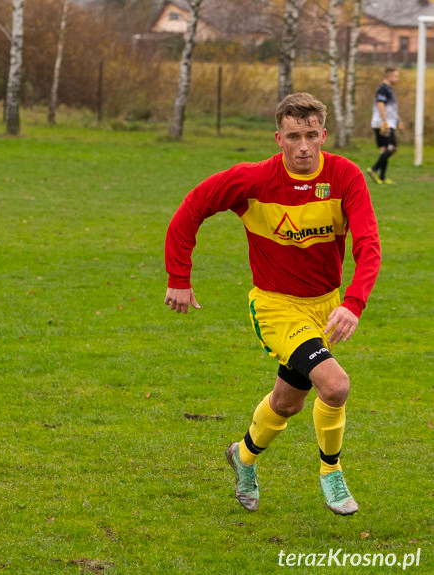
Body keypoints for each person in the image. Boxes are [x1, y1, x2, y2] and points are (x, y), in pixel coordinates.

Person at [164, 93, 381, 516]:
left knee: (287, 403)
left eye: (312, 135)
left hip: (326, 306)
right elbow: (192, 208)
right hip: (277, 307)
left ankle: (241, 457)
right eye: (294, 136)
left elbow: (368, 243)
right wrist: (179, 277)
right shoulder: (254, 179)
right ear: (278, 136)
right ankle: (331, 473)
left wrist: (353, 302)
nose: (303, 146)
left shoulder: (345, 176)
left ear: (324, 134)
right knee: (335, 385)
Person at [367, 67, 403, 185]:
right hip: (383, 123)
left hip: (389, 123)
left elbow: (391, 109)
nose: (397, 79)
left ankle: (381, 178)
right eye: (396, 76)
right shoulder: (382, 89)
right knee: (392, 148)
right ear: (389, 76)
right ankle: (374, 169)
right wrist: (385, 122)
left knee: (385, 149)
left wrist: (399, 122)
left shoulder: (389, 89)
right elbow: (380, 104)